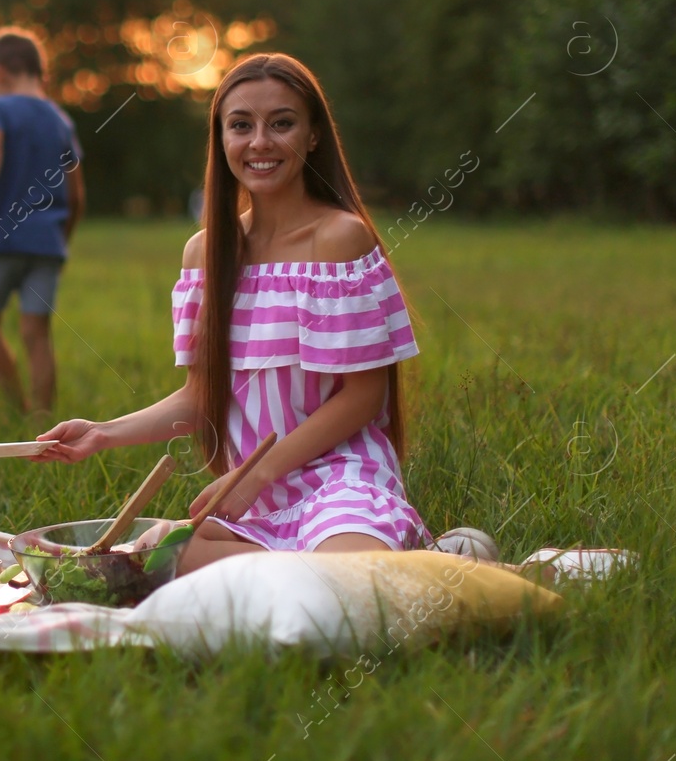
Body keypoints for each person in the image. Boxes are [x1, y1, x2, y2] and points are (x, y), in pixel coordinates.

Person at [37, 53, 433, 573]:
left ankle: (433, 560)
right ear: (221, 139)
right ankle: (367, 563)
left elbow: (364, 397)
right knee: (154, 561)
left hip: (340, 479)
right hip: (251, 501)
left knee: (348, 581)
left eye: (282, 123)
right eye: (241, 125)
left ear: (313, 135)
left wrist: (258, 472)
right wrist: (104, 433)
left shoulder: (337, 238)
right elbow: (203, 396)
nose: (260, 142)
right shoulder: (205, 254)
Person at [0, 27, 85, 413]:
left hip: (1, 237)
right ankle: (43, 416)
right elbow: (77, 189)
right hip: (48, 241)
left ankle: (15, 404)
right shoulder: (60, 120)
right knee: (37, 332)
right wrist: (63, 235)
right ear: (40, 73)